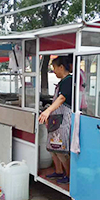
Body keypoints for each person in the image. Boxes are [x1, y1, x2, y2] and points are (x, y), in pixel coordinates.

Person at [38, 56, 72, 184]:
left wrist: (48, 111)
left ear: (61, 67)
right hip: (56, 120)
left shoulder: (68, 80)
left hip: (63, 120)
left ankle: (68, 175)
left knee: (61, 150)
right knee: (52, 148)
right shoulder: (62, 81)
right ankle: (58, 171)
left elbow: (62, 98)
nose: (54, 72)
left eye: (54, 68)